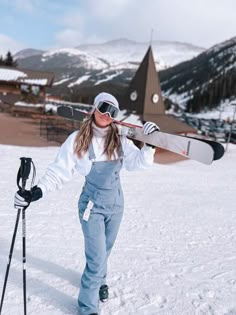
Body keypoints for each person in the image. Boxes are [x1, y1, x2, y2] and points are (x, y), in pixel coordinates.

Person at [14, 92, 159, 315]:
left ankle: (100, 280)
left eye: (113, 111)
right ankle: (87, 308)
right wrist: (37, 191)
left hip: (116, 204)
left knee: (105, 250)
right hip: (91, 206)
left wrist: (149, 145)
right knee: (97, 257)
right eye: (103, 107)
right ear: (94, 108)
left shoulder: (120, 139)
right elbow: (58, 172)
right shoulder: (78, 140)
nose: (107, 114)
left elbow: (137, 164)